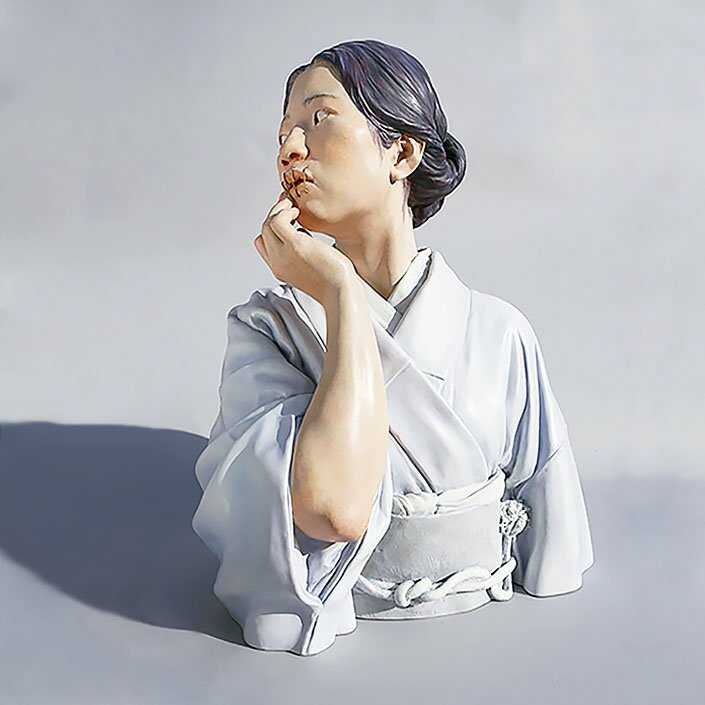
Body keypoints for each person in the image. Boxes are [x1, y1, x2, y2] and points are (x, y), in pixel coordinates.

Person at [191, 39, 594, 656]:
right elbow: (331, 511)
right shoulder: (269, 330)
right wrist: (338, 294)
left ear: (401, 152)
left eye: (319, 119)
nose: (290, 149)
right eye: (283, 133)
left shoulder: (500, 331)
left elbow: (554, 533)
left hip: (489, 646)